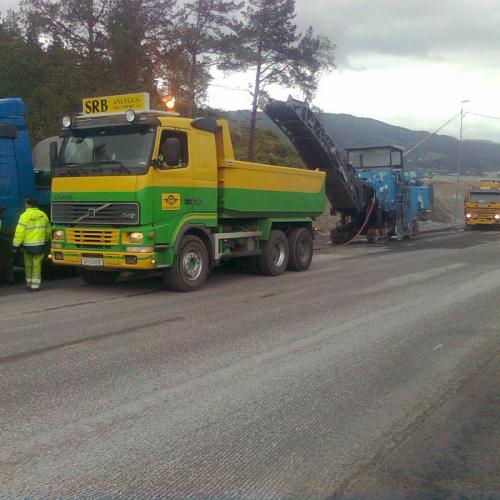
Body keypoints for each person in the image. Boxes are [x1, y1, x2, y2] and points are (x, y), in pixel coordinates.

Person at [12, 198, 51, 291]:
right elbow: (48, 231)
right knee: (37, 265)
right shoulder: (43, 215)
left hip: (27, 246)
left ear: (27, 204)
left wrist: (15, 245)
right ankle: (35, 286)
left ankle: (29, 284)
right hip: (40, 245)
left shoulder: (24, 216)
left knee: (28, 264)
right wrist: (46, 239)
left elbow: (19, 232)